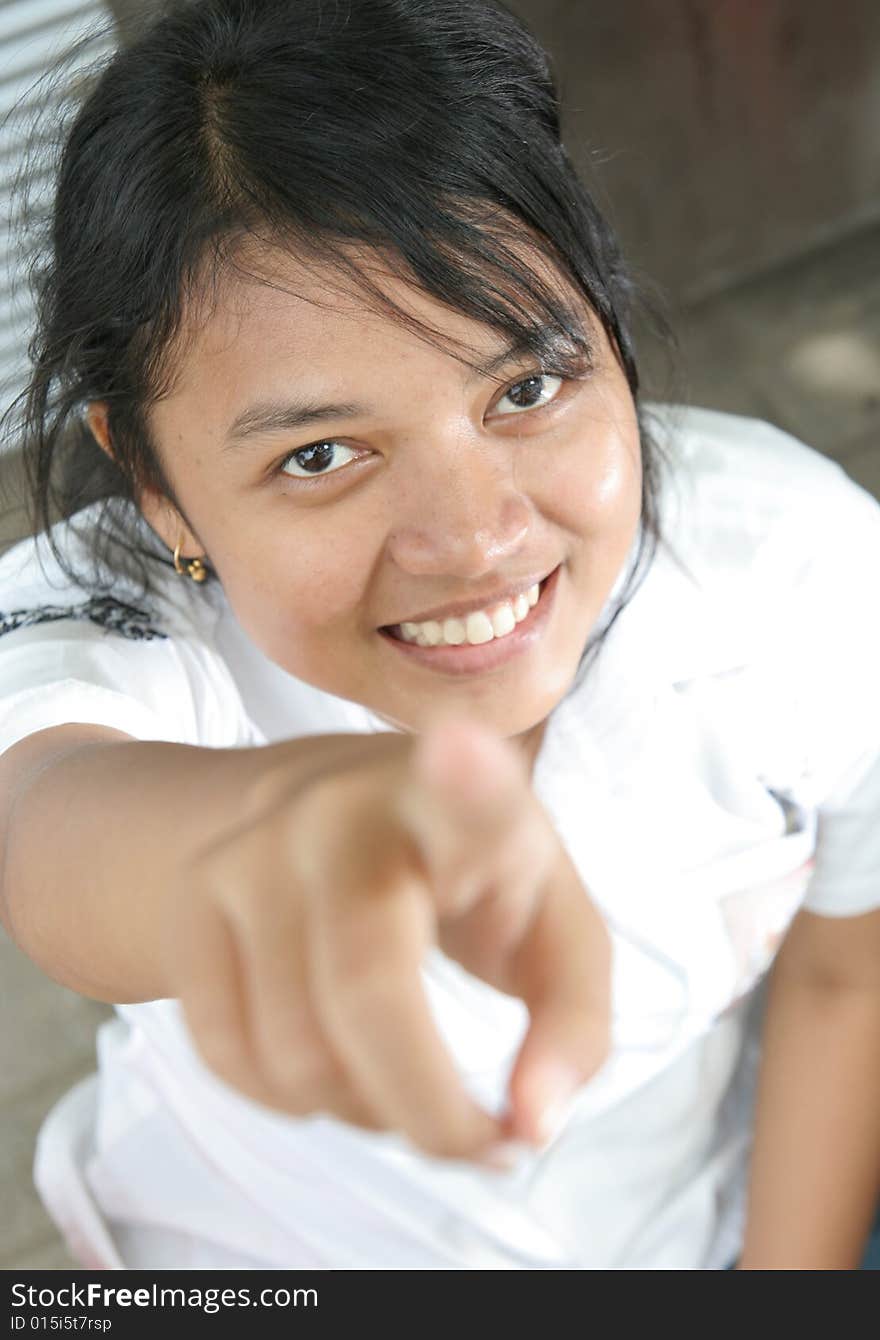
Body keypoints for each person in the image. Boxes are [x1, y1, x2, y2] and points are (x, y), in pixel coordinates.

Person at [1, 0, 879, 1271]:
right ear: (147, 475)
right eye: (321, 454)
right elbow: (50, 816)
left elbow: (843, 971)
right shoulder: (106, 605)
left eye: (524, 387)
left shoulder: (803, 569)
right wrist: (279, 829)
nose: (472, 537)